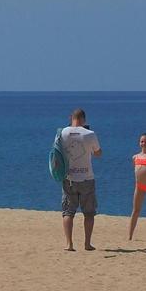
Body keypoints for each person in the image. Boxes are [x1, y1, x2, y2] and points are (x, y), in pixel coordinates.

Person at [58, 108, 102, 252]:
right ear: (83, 119)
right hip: (86, 178)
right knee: (89, 213)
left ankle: (69, 244)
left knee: (68, 212)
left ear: (71, 118)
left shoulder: (62, 133)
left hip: (68, 177)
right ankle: (87, 244)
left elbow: (56, 153)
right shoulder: (90, 134)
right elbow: (98, 153)